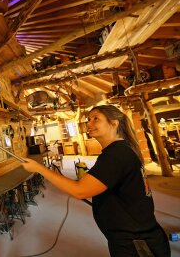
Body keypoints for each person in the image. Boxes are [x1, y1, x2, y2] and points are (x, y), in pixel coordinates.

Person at [21, 105, 171, 257]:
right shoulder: (120, 150)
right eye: (88, 119)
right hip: (132, 238)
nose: (89, 123)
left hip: (137, 245)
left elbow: (80, 190)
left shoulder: (116, 154)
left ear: (114, 123)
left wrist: (40, 168)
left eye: (96, 119)